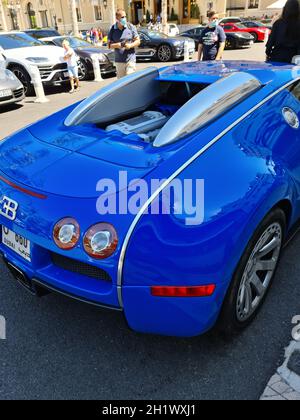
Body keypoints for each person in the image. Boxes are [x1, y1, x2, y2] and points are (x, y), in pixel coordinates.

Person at [108, 8, 140, 79]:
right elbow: (109, 45)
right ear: (117, 19)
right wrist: (118, 45)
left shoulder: (130, 26)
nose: (124, 18)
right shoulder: (113, 29)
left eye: (125, 16)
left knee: (129, 79)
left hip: (130, 59)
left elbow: (138, 41)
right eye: (122, 17)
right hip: (119, 61)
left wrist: (130, 45)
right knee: (121, 83)